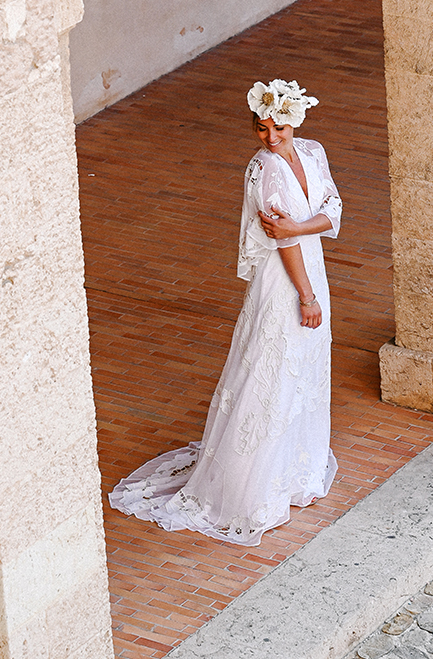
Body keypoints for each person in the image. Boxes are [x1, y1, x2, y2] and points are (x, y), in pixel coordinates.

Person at [108, 78, 342, 546]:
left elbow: (334, 211)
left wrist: (299, 224)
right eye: (261, 129)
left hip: (311, 267)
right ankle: (249, 488)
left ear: (296, 120)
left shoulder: (313, 152)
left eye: (279, 127)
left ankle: (294, 470)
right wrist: (307, 296)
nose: (271, 137)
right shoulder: (265, 171)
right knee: (271, 370)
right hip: (287, 281)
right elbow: (284, 240)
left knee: (305, 369)